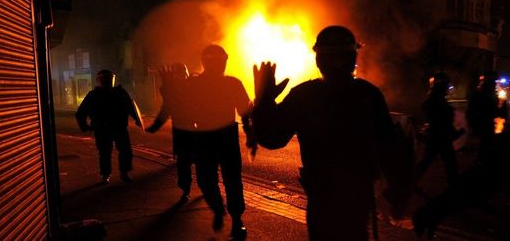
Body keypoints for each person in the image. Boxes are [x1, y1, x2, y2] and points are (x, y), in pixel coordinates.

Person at [252, 26, 413, 240]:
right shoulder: (368, 94)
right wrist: (397, 189)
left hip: (324, 198)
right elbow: (388, 148)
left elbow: (272, 138)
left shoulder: (305, 95)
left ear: (319, 60)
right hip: (353, 196)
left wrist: (264, 102)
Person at [185, 44, 253, 240]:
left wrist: (249, 134)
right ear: (205, 62)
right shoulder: (195, 84)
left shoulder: (232, 83)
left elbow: (244, 112)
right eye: (215, 61)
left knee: (231, 179)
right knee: (208, 180)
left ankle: (236, 219)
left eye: (220, 61)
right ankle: (219, 209)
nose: (218, 65)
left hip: (222, 136)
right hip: (207, 136)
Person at [75, 69, 143, 184]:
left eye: (109, 78)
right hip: (105, 128)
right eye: (106, 78)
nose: (108, 81)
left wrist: (137, 119)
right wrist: (85, 126)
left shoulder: (118, 93)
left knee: (120, 151)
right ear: (100, 80)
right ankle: (108, 174)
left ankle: (119, 173)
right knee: (106, 152)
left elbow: (131, 107)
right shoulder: (95, 95)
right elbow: (81, 113)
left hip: (117, 127)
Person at [146, 63, 195, 201]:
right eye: (176, 75)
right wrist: (155, 126)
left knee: (202, 162)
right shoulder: (173, 90)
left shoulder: (193, 86)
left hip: (197, 131)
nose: (179, 77)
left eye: (180, 74)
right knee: (184, 163)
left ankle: (207, 186)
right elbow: (166, 109)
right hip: (181, 132)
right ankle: (186, 190)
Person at [415, 72, 462, 189]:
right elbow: (440, 118)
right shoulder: (435, 99)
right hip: (439, 135)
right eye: (446, 85)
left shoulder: (436, 98)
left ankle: (408, 183)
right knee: (448, 162)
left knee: (430, 161)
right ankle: (454, 185)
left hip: (438, 135)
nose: (447, 88)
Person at [467, 71, 508, 163]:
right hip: (486, 123)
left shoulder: (492, 94)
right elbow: (475, 110)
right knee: (486, 144)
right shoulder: (482, 95)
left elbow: (499, 110)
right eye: (493, 81)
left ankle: (482, 163)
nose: (494, 84)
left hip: (490, 124)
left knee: (486, 145)